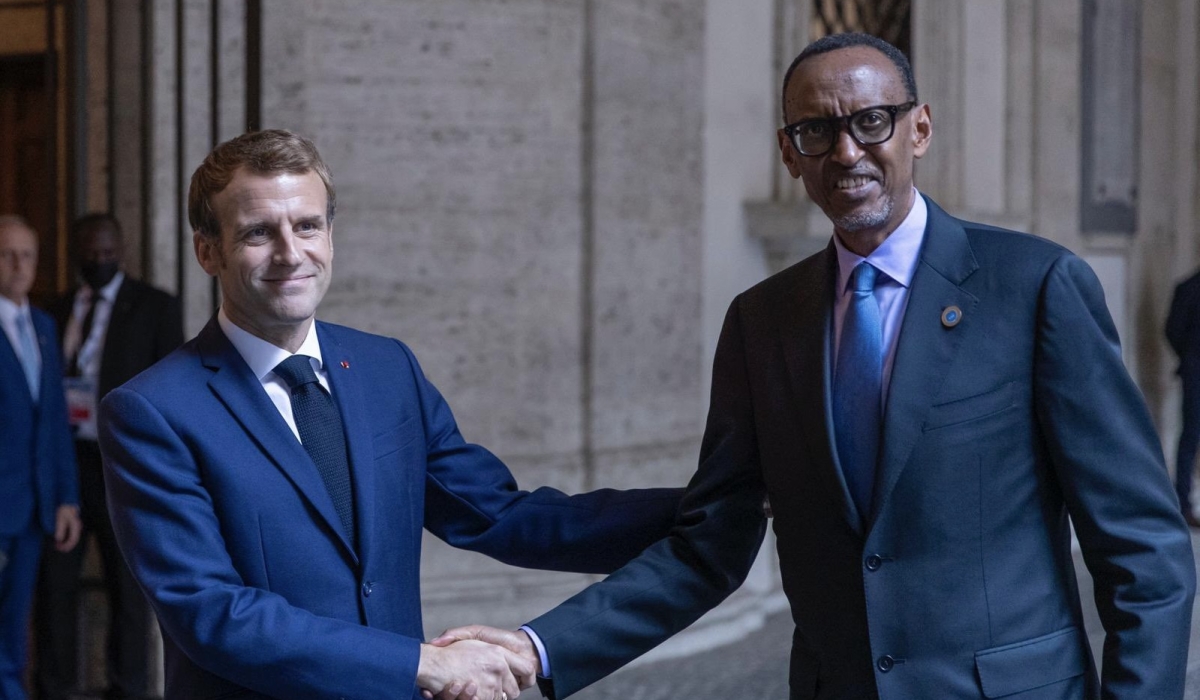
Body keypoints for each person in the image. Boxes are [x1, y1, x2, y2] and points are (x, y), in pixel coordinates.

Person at [434, 32, 1197, 699]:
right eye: (816, 130)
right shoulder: (762, 323)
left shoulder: (1034, 287)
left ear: (919, 128)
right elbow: (710, 544)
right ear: (787, 150)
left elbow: (1142, 546)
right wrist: (537, 649)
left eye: (872, 122)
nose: (846, 152)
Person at [97, 129, 681, 700]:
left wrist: (706, 504)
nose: (290, 252)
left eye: (307, 225)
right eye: (257, 233)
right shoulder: (152, 411)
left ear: (330, 234)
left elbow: (498, 514)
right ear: (208, 251)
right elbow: (212, 613)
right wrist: (422, 664)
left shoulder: (387, 368)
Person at [35, 213, 183, 700]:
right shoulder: (54, 311)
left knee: (128, 589)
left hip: (122, 464)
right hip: (65, 465)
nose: (99, 260)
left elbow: (171, 387)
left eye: (106, 252)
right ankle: (53, 686)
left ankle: (129, 688)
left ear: (121, 251)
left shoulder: (155, 307)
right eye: (90, 253)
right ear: (76, 251)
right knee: (54, 587)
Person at [0, 216, 82, 700]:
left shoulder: (45, 326)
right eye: (7, 253)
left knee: (15, 628)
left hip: (34, 509)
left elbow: (55, 422)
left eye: (27, 254)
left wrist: (67, 498)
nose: (18, 264)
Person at [1166, 268, 1200, 527]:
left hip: (1193, 370)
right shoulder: (1189, 287)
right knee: (1190, 436)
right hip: (1195, 374)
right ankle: (1183, 503)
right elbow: (1173, 330)